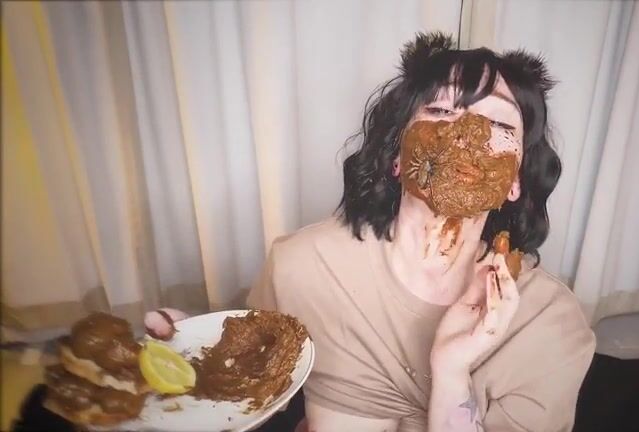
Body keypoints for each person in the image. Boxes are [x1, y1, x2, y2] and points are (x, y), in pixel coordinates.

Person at [146, 32, 595, 432]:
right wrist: (193, 363)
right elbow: (250, 383)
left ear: (516, 180)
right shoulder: (301, 266)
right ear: (396, 156)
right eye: (441, 110)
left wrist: (452, 370)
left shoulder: (551, 323)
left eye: (498, 124)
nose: (466, 133)